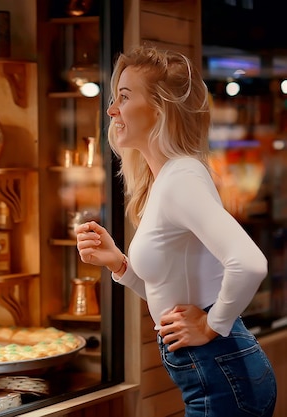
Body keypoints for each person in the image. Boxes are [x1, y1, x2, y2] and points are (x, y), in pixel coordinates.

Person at [74, 46, 277, 417]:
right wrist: (119, 264)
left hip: (222, 375)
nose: (111, 110)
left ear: (159, 108)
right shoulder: (168, 179)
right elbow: (174, 289)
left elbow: (249, 263)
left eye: (124, 96)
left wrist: (211, 324)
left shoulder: (181, 178)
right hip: (221, 374)